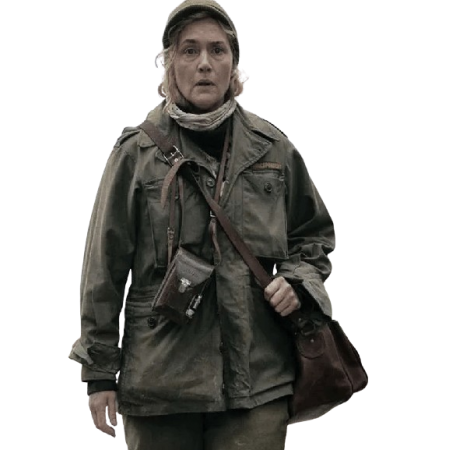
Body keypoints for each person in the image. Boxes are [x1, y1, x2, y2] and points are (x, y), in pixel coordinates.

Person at [68, 1, 336, 449]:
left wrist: (298, 281)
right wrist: (98, 375)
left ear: (235, 64)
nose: (205, 63)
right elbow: (103, 270)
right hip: (158, 385)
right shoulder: (136, 153)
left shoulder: (274, 148)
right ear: (170, 64)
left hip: (257, 381)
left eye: (217, 50)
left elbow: (314, 237)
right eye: (189, 50)